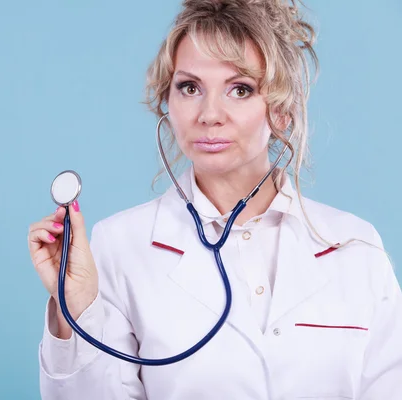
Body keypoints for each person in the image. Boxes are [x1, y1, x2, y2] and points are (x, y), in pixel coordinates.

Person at [27, 0, 402, 398]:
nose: (209, 114)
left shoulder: (355, 246)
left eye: (240, 89)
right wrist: (76, 309)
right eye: (190, 88)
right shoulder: (119, 245)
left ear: (282, 111)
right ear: (166, 102)